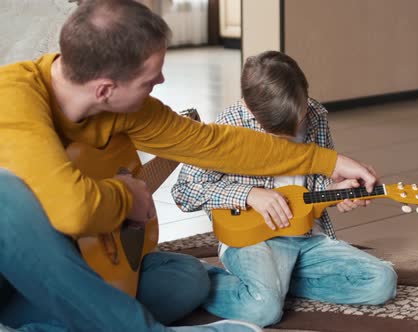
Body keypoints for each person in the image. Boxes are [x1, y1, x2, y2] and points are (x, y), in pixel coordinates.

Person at [0, 1, 378, 331]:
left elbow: (214, 144)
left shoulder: (123, 109)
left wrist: (327, 160)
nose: (162, 80)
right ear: (104, 89)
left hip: (84, 266)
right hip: (15, 281)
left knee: (188, 279)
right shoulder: (12, 100)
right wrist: (126, 196)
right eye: (151, 78)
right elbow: (73, 210)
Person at [171, 51, 397, 328]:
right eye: (278, 136)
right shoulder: (226, 125)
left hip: (306, 236)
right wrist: (248, 194)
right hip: (252, 240)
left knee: (381, 282)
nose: (295, 132)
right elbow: (184, 191)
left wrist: (337, 191)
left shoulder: (315, 115)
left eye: (300, 120)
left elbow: (313, 184)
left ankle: (277, 283)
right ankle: (204, 279)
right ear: (250, 109)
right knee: (263, 312)